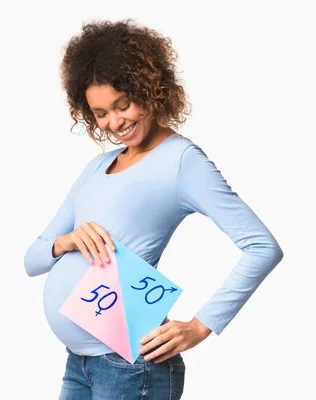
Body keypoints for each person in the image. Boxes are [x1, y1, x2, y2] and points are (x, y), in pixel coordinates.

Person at [23, 19, 283, 400]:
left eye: (122, 105)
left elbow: (263, 247)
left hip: (130, 364)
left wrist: (200, 326)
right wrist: (66, 241)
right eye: (100, 113)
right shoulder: (97, 167)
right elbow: (32, 260)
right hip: (79, 363)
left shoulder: (181, 161)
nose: (115, 122)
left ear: (149, 89)